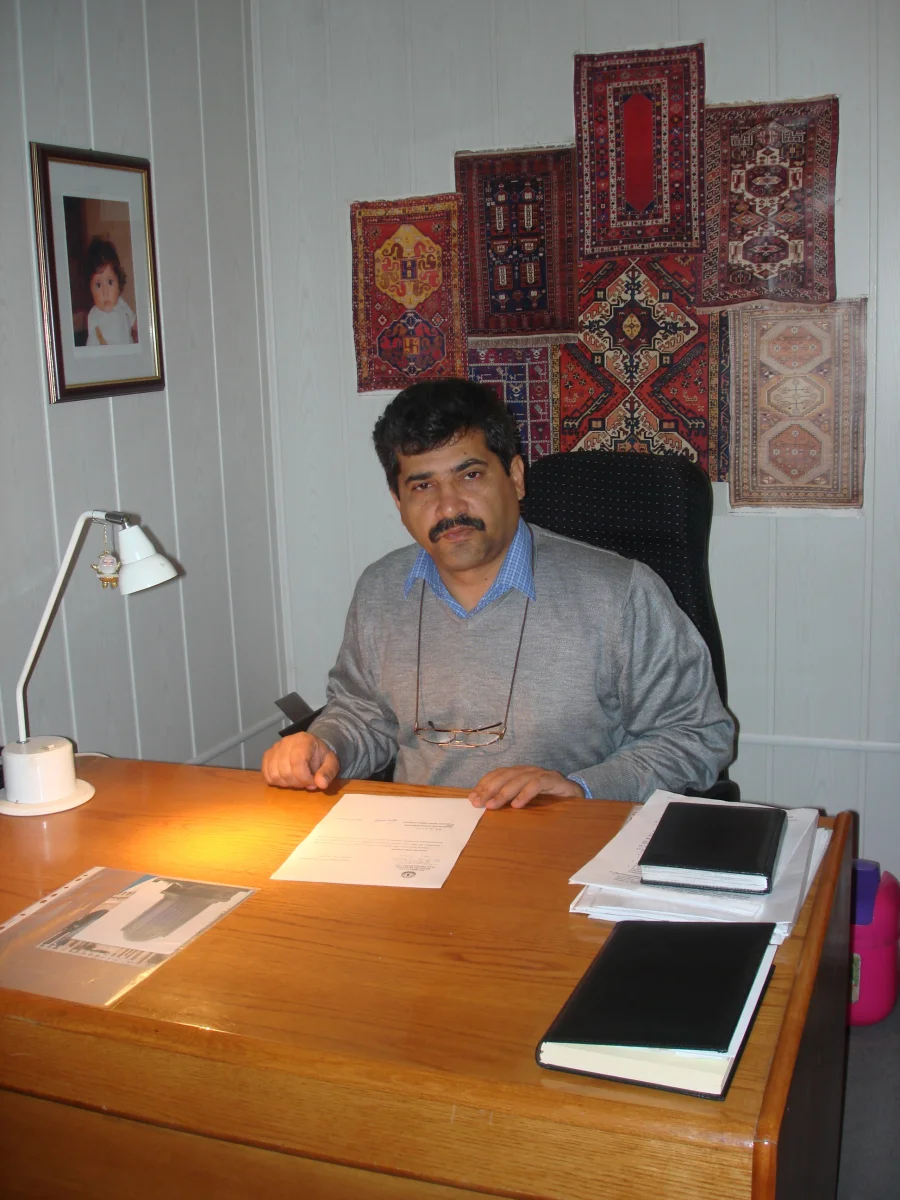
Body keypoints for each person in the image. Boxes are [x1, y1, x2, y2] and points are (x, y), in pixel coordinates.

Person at [262, 379, 734, 809]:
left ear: (515, 476)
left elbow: (696, 735)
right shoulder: (380, 590)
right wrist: (326, 744)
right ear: (398, 502)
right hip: (418, 844)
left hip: (567, 843)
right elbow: (364, 715)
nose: (449, 506)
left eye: (470, 476)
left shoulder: (620, 593)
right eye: (423, 486)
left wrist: (581, 789)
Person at [84, 237, 137, 346]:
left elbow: (135, 323)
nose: (105, 292)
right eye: (98, 285)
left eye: (110, 282)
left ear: (119, 282)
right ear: (90, 289)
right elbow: (91, 346)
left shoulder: (122, 305)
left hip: (129, 354)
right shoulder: (93, 316)